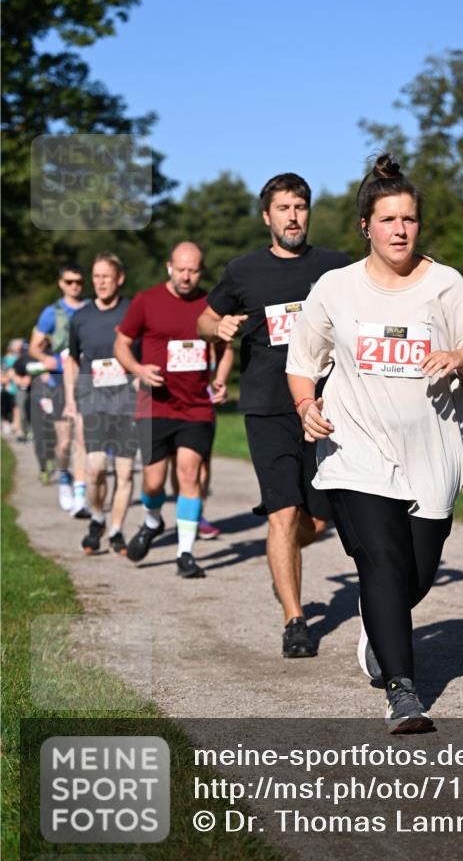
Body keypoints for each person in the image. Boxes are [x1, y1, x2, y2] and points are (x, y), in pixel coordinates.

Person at [286, 154, 463, 731]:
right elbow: (303, 364)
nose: (400, 230)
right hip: (355, 449)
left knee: (415, 575)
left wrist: (462, 356)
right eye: (388, 220)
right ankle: (403, 692)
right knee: (382, 562)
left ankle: (377, 625)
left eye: (409, 219)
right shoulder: (334, 288)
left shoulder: (445, 283)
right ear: (366, 226)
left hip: (433, 452)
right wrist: (307, 406)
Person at [197, 172, 350, 658]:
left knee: (319, 522)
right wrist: (216, 325)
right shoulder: (243, 271)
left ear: (309, 212)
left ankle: (280, 564)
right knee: (283, 512)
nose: (293, 216)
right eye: (283, 208)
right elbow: (204, 316)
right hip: (267, 406)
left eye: (300, 207)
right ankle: (295, 619)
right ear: (267, 216)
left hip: (326, 406)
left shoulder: (335, 267)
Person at [114, 242, 230, 577]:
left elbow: (225, 350)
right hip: (154, 405)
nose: (187, 276)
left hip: (195, 406)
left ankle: (185, 553)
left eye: (193, 270)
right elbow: (121, 343)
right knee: (153, 484)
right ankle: (152, 521)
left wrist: (220, 379)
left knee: (189, 474)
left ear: (201, 271)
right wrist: (137, 369)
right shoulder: (146, 301)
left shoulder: (211, 306)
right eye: (181, 269)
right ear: (169, 267)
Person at [64, 253, 138, 555]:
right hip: (93, 400)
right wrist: (70, 398)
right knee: (95, 467)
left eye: (107, 276)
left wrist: (138, 375)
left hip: (127, 401)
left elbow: (146, 349)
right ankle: (97, 518)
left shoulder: (133, 310)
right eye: (96, 277)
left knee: (124, 472)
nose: (101, 282)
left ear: (119, 278)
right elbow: (71, 358)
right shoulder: (81, 316)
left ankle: (117, 530)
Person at [29, 264, 90, 516]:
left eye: (78, 281)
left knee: (82, 439)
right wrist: (45, 360)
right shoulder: (51, 313)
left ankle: (80, 493)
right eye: (69, 282)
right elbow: (34, 345)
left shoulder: (90, 308)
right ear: (61, 284)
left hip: (85, 381)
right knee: (64, 443)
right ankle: (64, 476)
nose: (74, 286)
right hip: (57, 383)